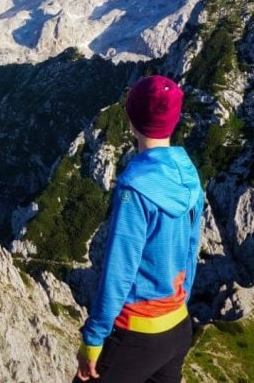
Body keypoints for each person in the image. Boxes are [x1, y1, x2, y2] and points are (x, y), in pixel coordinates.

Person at [74, 74, 205, 383]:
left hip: (137, 331)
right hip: (178, 326)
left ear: (131, 119)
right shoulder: (189, 176)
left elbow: (119, 271)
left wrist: (93, 338)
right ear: (174, 119)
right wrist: (180, 300)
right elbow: (191, 248)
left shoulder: (134, 188)